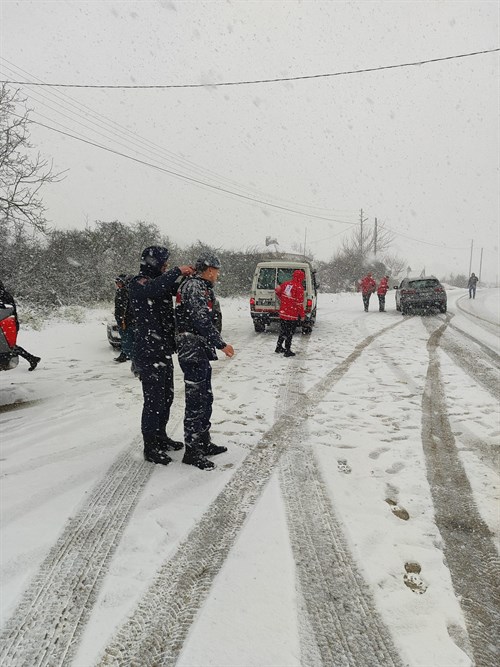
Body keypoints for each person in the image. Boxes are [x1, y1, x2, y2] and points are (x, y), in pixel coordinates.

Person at [128, 246, 194, 466]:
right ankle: (150, 447)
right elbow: (155, 289)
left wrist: (188, 277)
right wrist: (176, 270)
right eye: (164, 263)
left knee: (166, 397)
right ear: (153, 262)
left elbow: (169, 287)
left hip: (163, 350)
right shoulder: (139, 283)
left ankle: (161, 436)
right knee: (153, 401)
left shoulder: (160, 282)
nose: (166, 266)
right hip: (147, 352)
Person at [175, 254, 234, 471]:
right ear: (209, 270)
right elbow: (200, 319)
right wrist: (221, 344)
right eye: (216, 270)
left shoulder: (199, 286)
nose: (217, 274)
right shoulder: (193, 287)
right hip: (191, 349)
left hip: (198, 349)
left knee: (205, 397)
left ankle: (203, 442)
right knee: (196, 401)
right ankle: (192, 451)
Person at [0, 280, 41, 371]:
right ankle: (32, 358)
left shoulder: (3, 295)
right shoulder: (5, 294)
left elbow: (6, 309)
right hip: (9, 323)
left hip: (6, 324)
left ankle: (31, 358)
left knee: (8, 346)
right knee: (8, 345)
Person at [275, 269, 305, 357]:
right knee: (290, 333)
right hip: (292, 315)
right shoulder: (299, 288)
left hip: (283, 313)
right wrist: (302, 315)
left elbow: (277, 291)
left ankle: (279, 347)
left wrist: (283, 300)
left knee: (283, 331)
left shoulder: (286, 284)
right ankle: (287, 351)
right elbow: (299, 304)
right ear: (301, 278)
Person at [113, 274, 135, 363]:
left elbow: (125, 308)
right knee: (126, 340)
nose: (117, 284)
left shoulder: (125, 292)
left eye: (119, 282)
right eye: (116, 282)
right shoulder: (120, 291)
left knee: (128, 341)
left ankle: (135, 362)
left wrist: (123, 320)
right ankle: (124, 355)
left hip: (126, 321)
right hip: (122, 320)